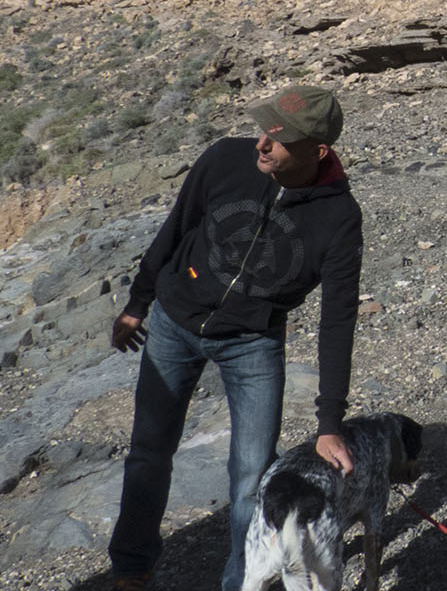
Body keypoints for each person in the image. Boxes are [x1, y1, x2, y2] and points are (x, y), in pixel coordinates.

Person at [106, 84, 364, 591]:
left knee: (252, 480)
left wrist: (329, 421)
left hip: (253, 344)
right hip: (174, 324)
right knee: (148, 453)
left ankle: (239, 582)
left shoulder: (339, 218)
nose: (262, 145)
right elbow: (175, 229)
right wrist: (138, 304)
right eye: (264, 129)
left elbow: (339, 318)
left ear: (318, 152)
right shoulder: (225, 158)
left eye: (279, 138)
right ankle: (132, 568)